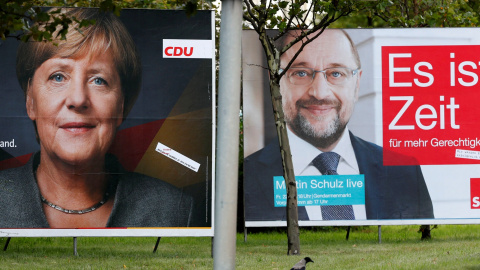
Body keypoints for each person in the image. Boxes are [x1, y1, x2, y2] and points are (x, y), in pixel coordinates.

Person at [0, 8, 193, 228]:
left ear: (121, 106)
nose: (78, 99)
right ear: (30, 102)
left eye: (99, 80)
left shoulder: (174, 210)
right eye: (58, 77)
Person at [244, 29, 434, 221]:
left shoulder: (404, 170)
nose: (319, 93)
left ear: (357, 83)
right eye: (300, 73)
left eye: (336, 73)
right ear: (275, 82)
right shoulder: (247, 174)